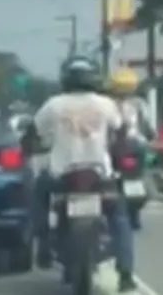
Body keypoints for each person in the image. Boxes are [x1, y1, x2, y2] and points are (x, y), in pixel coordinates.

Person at [32, 56, 137, 292]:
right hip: (99, 176)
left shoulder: (53, 105)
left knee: (38, 192)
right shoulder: (106, 104)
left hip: (62, 177)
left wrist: (33, 146)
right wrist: (118, 155)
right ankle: (126, 274)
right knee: (120, 220)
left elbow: (34, 132)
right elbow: (120, 132)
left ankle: (43, 247)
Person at [108, 68, 156, 144]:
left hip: (116, 146)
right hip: (136, 144)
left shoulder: (108, 103)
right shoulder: (138, 103)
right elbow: (147, 125)